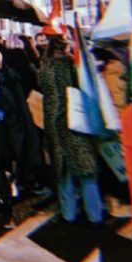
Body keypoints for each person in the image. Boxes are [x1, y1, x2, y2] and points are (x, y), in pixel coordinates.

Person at [39, 36, 104, 224]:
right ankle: (95, 215)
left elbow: (48, 97)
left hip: (55, 126)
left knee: (63, 173)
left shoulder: (44, 69)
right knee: (86, 172)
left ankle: (68, 214)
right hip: (76, 121)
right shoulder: (72, 66)